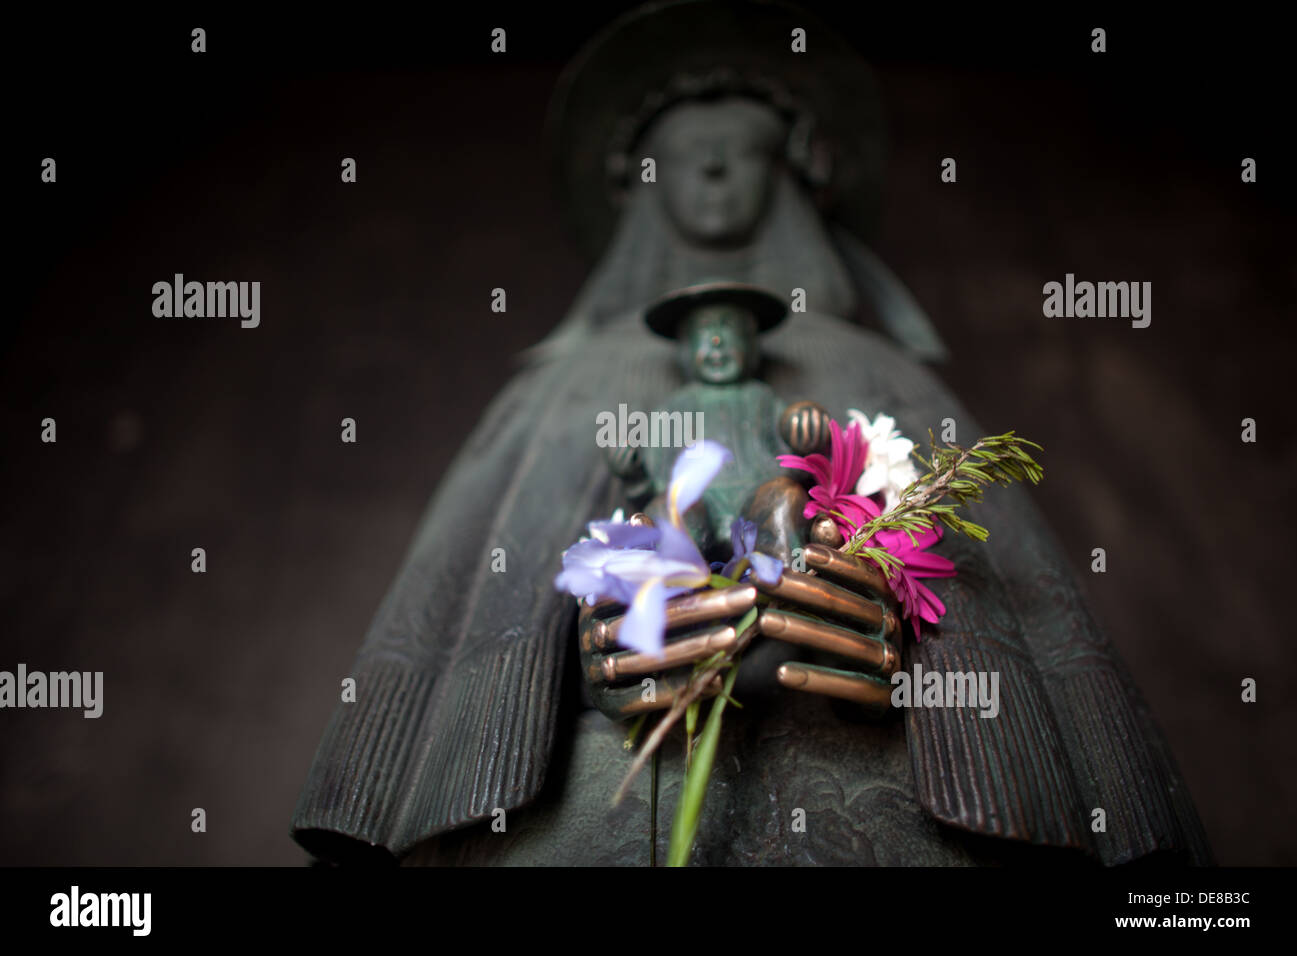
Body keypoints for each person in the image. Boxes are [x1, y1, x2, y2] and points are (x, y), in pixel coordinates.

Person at [293, 0, 1210, 866]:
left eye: (743, 149)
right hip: (593, 810)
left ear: (791, 168)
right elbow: (480, 607)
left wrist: (905, 642)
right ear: (640, 184)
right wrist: (571, 659)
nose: (717, 172)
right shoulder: (561, 386)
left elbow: (996, 596)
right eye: (687, 153)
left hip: (875, 804)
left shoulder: (884, 372)